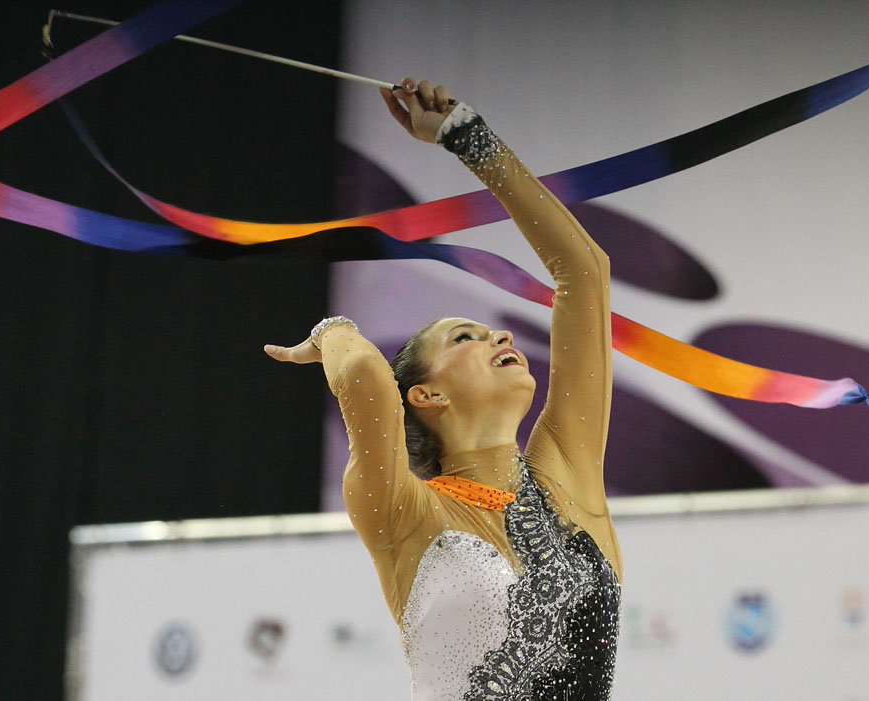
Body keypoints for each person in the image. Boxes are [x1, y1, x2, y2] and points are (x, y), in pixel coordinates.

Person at [265, 77, 622, 700]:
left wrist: (468, 137)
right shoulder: (405, 510)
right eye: (464, 337)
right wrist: (332, 332)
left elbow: (585, 271)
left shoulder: (569, 477)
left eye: (490, 330)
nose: (497, 335)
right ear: (426, 395)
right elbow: (367, 375)